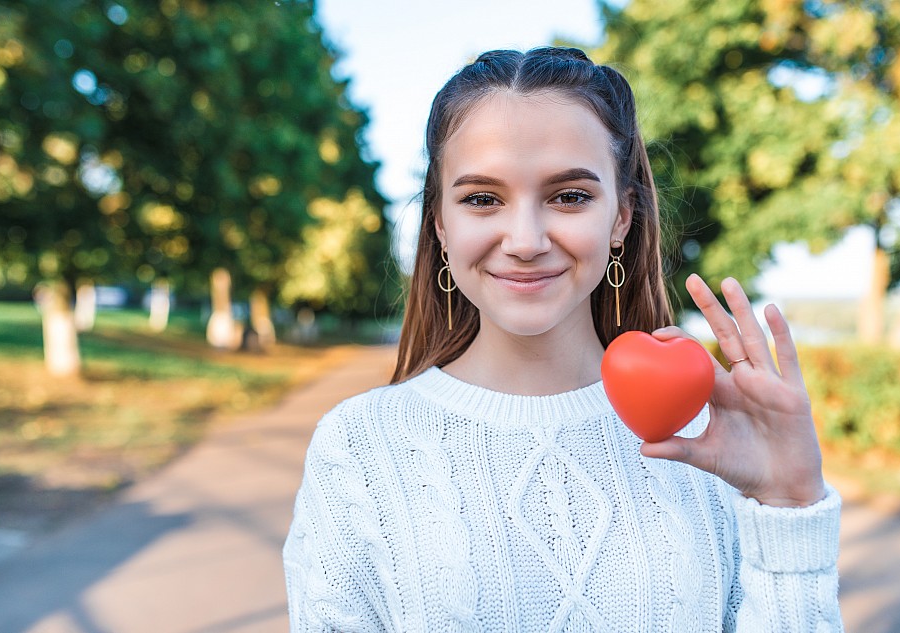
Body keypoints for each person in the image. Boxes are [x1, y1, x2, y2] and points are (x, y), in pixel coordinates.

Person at [283, 47, 843, 632]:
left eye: (569, 196)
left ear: (622, 217)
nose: (525, 240)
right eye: (482, 198)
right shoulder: (360, 449)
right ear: (442, 226)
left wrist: (788, 507)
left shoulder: (715, 441)